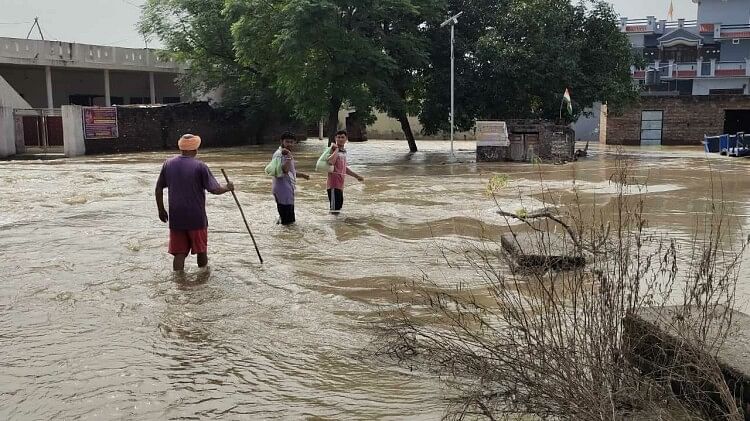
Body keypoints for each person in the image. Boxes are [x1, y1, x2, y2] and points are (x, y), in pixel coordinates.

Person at [155, 134, 234, 271]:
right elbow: (214, 189)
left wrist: (161, 210)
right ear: (195, 149)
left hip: (176, 216)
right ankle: (203, 280)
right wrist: (228, 188)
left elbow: (158, 188)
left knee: (179, 253)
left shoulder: (168, 164)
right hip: (196, 217)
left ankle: (179, 283)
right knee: (201, 250)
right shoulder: (200, 166)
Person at [272, 131, 310, 225]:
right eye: (287, 141)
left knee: (286, 220)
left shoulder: (285, 154)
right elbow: (284, 170)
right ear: (282, 141)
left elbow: (289, 173)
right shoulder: (281, 154)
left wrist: (303, 175)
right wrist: (288, 157)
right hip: (283, 191)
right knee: (288, 223)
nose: (289, 144)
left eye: (291, 142)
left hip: (286, 190)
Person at [326, 130, 364, 214]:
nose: (340, 139)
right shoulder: (332, 150)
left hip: (340, 184)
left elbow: (344, 168)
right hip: (333, 184)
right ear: (335, 138)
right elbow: (330, 162)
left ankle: (337, 226)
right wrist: (336, 150)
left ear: (346, 138)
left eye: (342, 137)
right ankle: (330, 226)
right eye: (338, 137)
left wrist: (356, 176)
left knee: (338, 207)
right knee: (334, 209)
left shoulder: (344, 151)